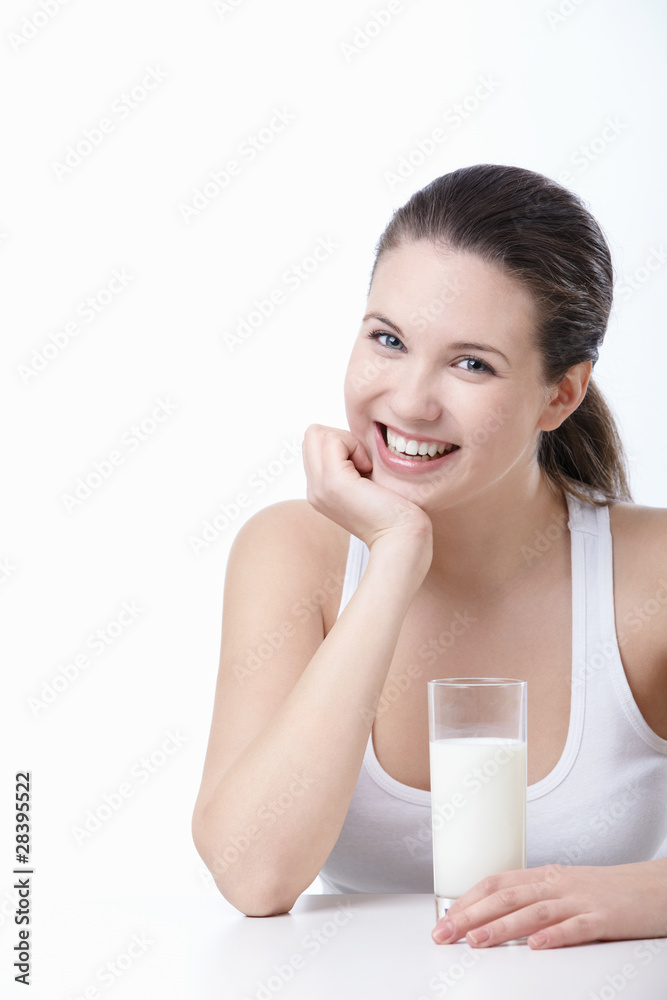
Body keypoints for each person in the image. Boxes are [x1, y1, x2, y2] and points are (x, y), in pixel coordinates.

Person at [192, 164, 667, 950]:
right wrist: (393, 557)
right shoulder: (291, 553)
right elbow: (254, 876)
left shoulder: (648, 573)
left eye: (471, 363)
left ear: (560, 396)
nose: (408, 401)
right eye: (388, 340)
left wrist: (651, 896)